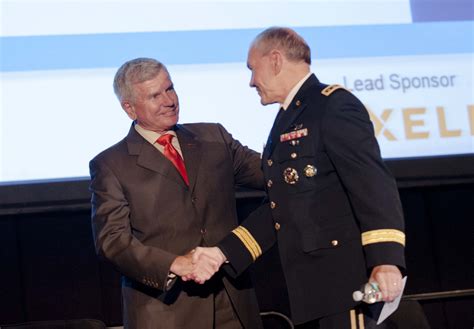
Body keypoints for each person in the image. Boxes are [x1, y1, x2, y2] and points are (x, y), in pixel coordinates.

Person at [191, 27, 406, 329]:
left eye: (253, 69)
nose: (251, 81)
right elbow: (281, 206)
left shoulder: (332, 106)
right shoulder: (288, 116)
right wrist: (222, 253)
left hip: (349, 288)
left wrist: (386, 260)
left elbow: (373, 186)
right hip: (313, 291)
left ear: (275, 60)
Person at [89, 57, 265, 329]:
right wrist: (174, 264)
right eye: (155, 95)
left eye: (170, 89)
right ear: (129, 108)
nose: (169, 100)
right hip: (167, 312)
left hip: (233, 303)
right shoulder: (111, 164)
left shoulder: (214, 138)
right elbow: (112, 242)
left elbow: (271, 175)